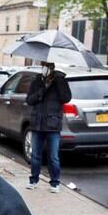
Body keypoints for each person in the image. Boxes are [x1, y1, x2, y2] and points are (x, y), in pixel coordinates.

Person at [25, 61, 72, 193]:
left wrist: (58, 82)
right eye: (43, 66)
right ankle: (33, 180)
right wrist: (41, 91)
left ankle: (55, 182)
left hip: (52, 124)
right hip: (37, 124)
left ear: (52, 68)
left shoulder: (59, 81)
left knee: (53, 156)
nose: (44, 69)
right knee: (35, 155)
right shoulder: (37, 81)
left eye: (47, 67)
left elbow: (66, 98)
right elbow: (29, 100)